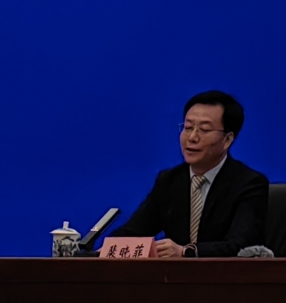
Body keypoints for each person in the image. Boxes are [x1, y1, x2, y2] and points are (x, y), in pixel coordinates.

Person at [109, 90, 268, 258]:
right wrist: (108, 250)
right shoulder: (169, 181)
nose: (192, 137)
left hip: (225, 273)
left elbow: (240, 246)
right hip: (174, 275)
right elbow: (134, 232)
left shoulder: (249, 183)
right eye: (188, 128)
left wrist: (186, 252)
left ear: (227, 140)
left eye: (204, 129)